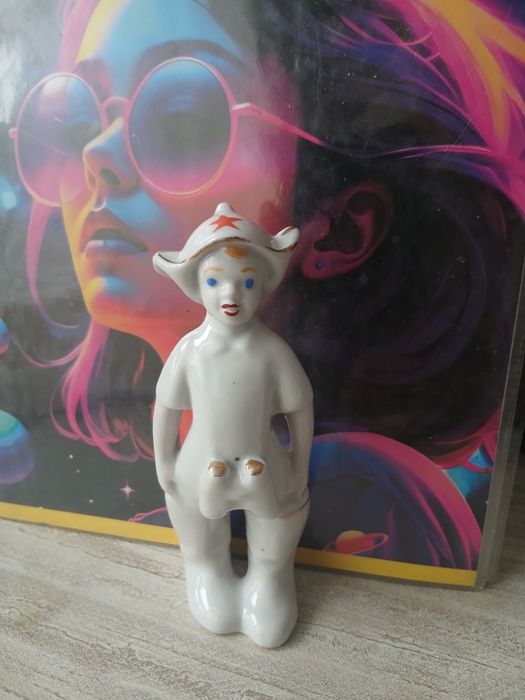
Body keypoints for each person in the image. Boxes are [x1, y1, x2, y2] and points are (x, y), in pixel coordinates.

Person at [9, 0, 525, 568]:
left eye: (182, 121)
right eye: (79, 122)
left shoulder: (370, 491)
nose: (95, 153)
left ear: (337, 228)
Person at [152, 202, 313, 646]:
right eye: (214, 280)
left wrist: (299, 467)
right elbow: (166, 406)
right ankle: (207, 572)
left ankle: (270, 578)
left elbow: (300, 409)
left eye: (246, 281)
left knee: (277, 528)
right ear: (196, 285)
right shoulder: (190, 351)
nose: (231, 294)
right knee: (199, 539)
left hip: (265, 464)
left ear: (263, 284)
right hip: (199, 464)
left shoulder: (272, 352)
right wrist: (164, 462)